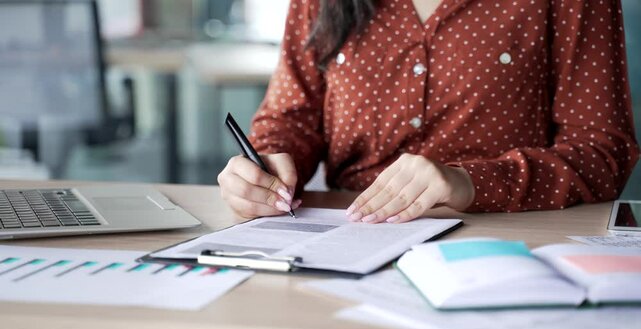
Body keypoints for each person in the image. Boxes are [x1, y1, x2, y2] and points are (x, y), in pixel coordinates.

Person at [218, 0, 639, 223]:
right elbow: (289, 119)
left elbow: (603, 151)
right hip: (345, 235)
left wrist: (471, 182)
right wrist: (266, 167)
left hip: (505, 238)